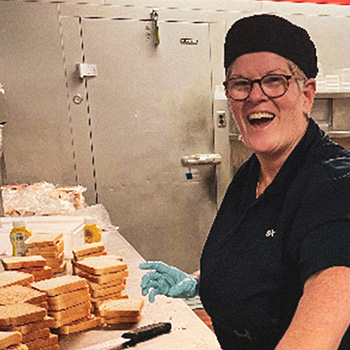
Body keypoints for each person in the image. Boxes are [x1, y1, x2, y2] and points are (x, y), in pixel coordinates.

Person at [140, 14, 350, 350]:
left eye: (274, 80)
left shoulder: (336, 185)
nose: (255, 96)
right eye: (240, 83)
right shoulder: (250, 174)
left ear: (307, 93)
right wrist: (201, 283)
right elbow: (261, 262)